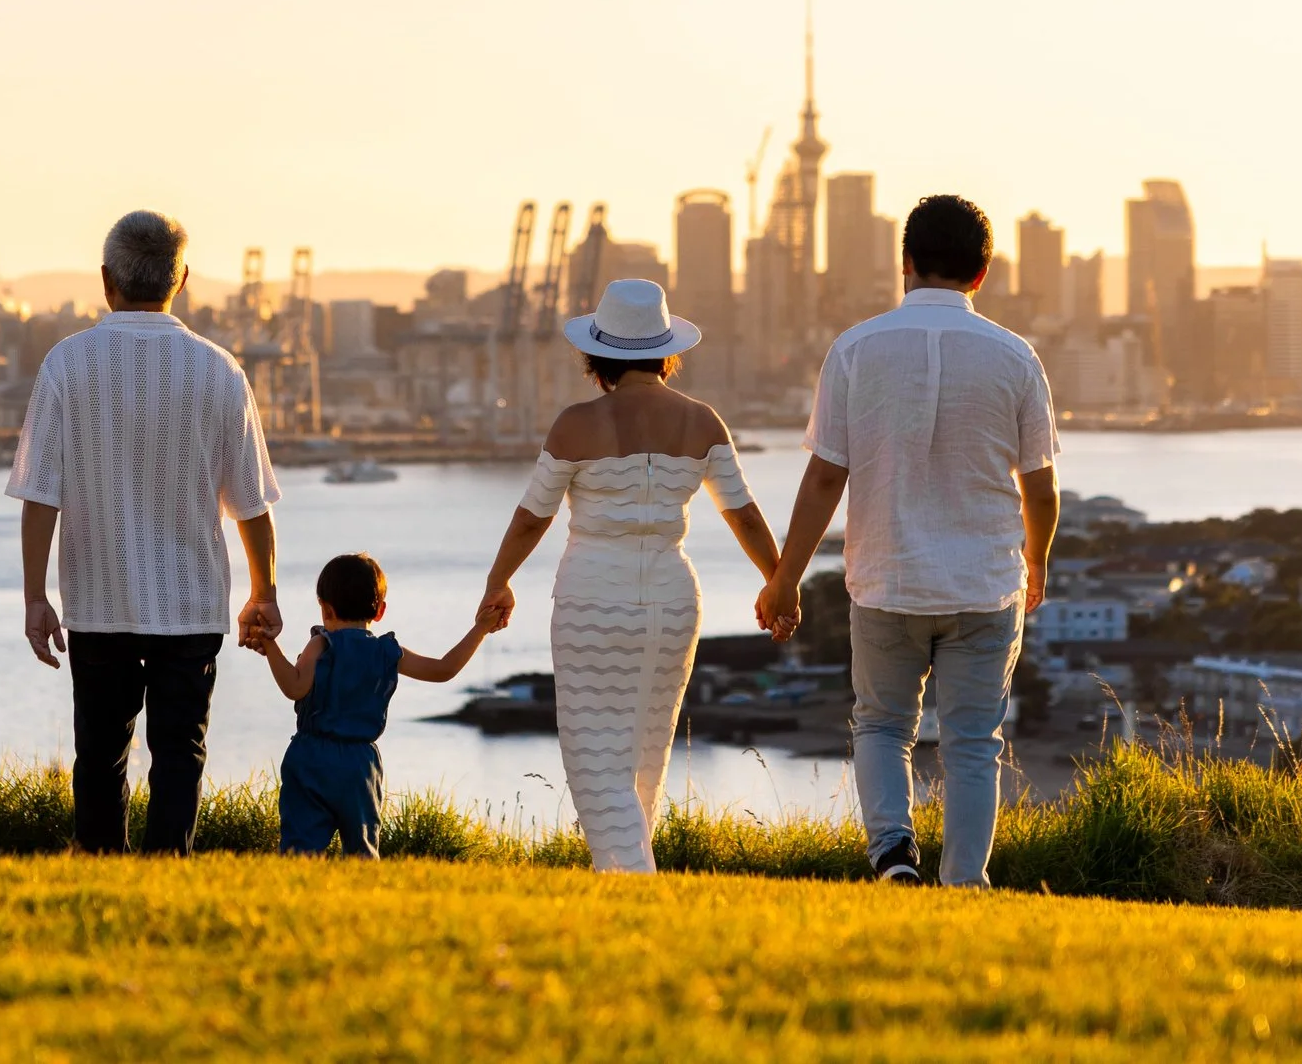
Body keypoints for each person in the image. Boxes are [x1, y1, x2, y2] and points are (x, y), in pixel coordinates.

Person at [757, 194, 1060, 888]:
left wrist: (785, 579)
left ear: (906, 264)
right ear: (983, 274)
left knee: (883, 726)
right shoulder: (1017, 357)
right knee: (973, 743)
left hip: (886, 579)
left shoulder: (855, 349)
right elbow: (1040, 487)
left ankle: (893, 854)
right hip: (986, 583)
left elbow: (823, 479)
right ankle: (962, 881)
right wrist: (1037, 558)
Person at [478, 278, 783, 873]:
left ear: (598, 354)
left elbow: (529, 519)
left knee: (594, 762)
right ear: (665, 349)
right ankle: (626, 885)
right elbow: (743, 513)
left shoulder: (575, 424)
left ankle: (632, 883)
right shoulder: (703, 422)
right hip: (672, 600)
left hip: (593, 598)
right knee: (645, 759)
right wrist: (779, 582)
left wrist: (498, 581)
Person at [11, 209, 283, 855]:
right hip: (190, 604)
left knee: (99, 752)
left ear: (106, 280)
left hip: (98, 601)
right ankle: (169, 865)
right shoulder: (221, 371)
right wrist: (263, 590)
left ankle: (101, 860)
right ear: (181, 279)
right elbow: (251, 502)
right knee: (180, 751)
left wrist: (34, 596)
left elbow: (39, 495)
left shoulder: (64, 366)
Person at [250, 551, 503, 858]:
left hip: (311, 757)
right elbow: (443, 669)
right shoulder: (387, 652)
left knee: (300, 850)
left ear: (325, 609)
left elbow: (294, 686)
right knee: (362, 849)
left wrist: (269, 645)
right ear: (380, 610)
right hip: (360, 763)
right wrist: (480, 628)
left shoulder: (320, 644)